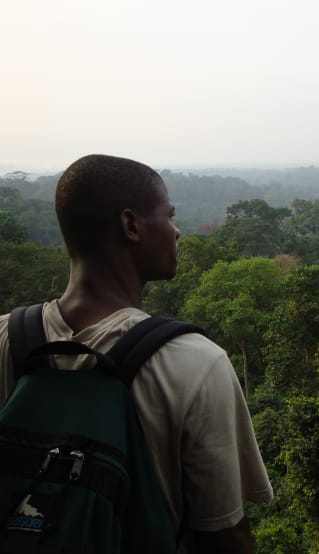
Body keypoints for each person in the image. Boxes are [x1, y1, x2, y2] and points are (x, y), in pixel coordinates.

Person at [0, 154, 273, 553]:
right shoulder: (195, 363)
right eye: (169, 216)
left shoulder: (7, 338)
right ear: (131, 226)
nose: (177, 232)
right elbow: (224, 535)